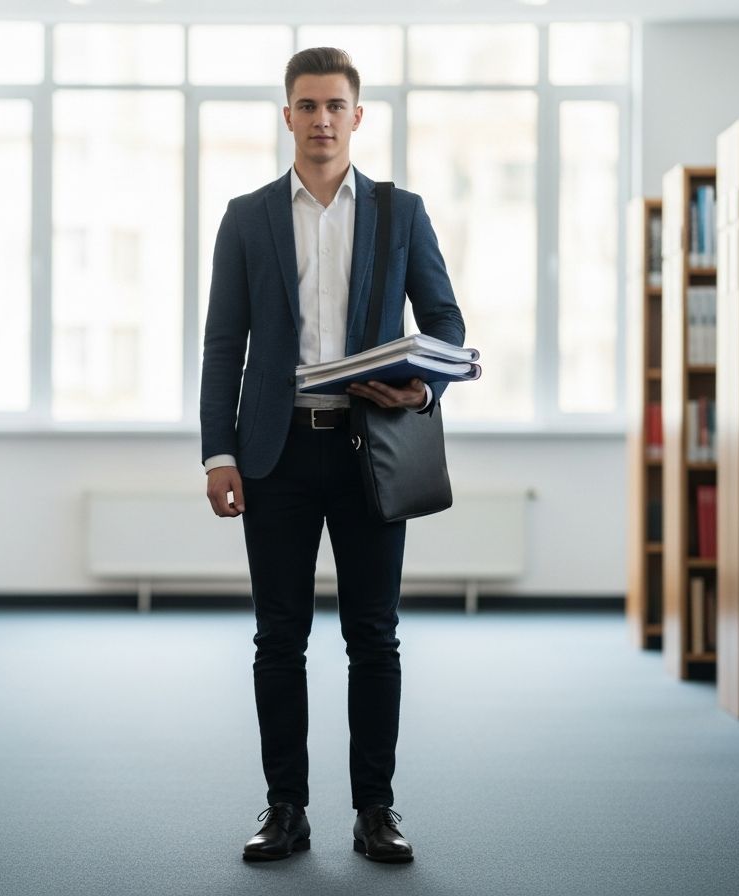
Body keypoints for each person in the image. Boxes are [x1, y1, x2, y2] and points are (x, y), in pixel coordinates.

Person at [199, 47, 465, 865]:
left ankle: (375, 809)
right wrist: (218, 453)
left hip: (366, 451)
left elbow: (446, 325)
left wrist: (421, 390)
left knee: (373, 636)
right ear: (287, 116)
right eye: (306, 106)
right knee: (278, 638)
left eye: (335, 106)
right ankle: (286, 808)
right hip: (275, 455)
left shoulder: (399, 212)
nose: (321, 120)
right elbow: (223, 344)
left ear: (358, 116)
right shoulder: (246, 217)